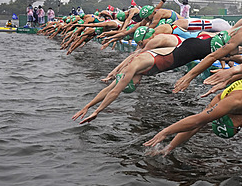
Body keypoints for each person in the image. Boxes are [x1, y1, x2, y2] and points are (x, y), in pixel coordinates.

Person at [72, 34, 224, 124]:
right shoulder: (129, 72)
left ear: (131, 80)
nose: (138, 85)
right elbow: (109, 89)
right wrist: (88, 106)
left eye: (135, 85)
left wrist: (98, 111)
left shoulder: (134, 67)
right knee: (232, 48)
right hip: (187, 50)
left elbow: (115, 93)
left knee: (233, 43)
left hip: (192, 50)